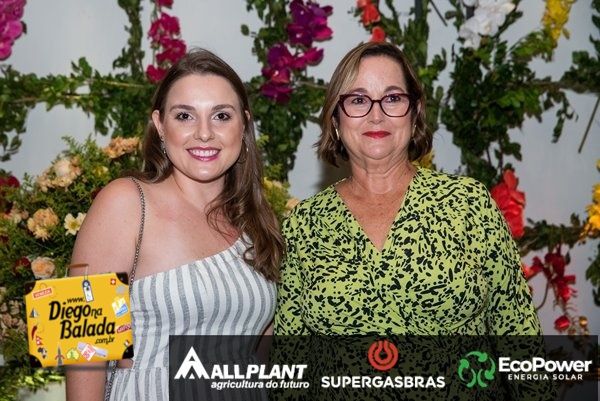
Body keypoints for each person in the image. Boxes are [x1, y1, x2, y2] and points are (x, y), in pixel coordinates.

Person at [273, 41, 541, 337]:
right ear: (336, 119)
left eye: (392, 98)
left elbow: (520, 335)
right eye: (358, 100)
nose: (376, 115)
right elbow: (291, 354)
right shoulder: (304, 224)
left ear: (414, 114)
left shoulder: (469, 204)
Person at [66, 49, 283, 400]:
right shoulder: (124, 201)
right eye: (184, 116)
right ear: (160, 124)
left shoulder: (256, 219)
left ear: (243, 125)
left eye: (221, 116)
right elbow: (81, 347)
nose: (204, 133)